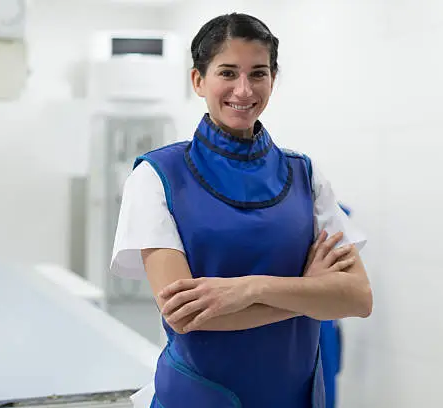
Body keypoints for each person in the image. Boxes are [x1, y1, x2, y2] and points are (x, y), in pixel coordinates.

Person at [110, 12, 373, 408]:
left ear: (273, 79)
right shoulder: (158, 176)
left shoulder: (304, 174)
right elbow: (186, 315)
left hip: (295, 396)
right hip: (200, 397)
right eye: (228, 73)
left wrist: (248, 289)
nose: (244, 89)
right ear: (198, 80)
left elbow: (357, 298)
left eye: (259, 73)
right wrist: (310, 293)